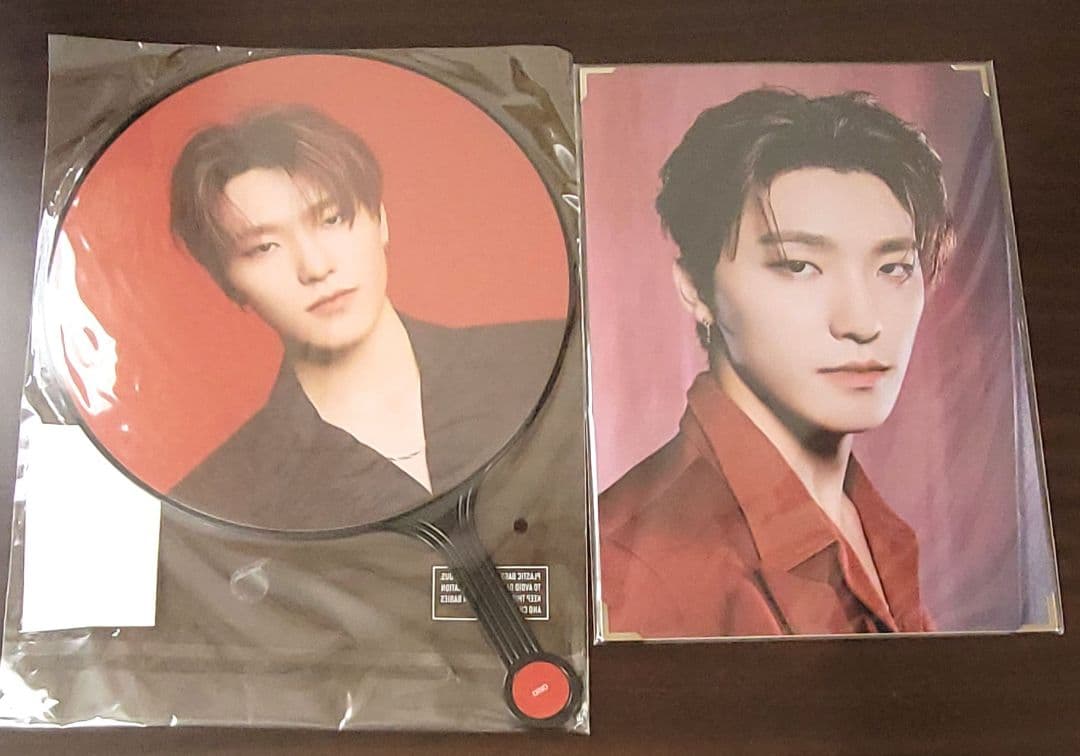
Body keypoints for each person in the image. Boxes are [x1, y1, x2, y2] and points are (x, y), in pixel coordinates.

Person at [599, 88, 955, 638]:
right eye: (798, 266)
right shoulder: (632, 565)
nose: (862, 321)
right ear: (696, 288)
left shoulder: (870, 523)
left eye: (894, 268)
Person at [168, 105, 561, 530]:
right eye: (264, 248)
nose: (316, 266)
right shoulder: (214, 504)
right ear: (228, 282)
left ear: (381, 220)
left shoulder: (548, 360)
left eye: (331, 219)